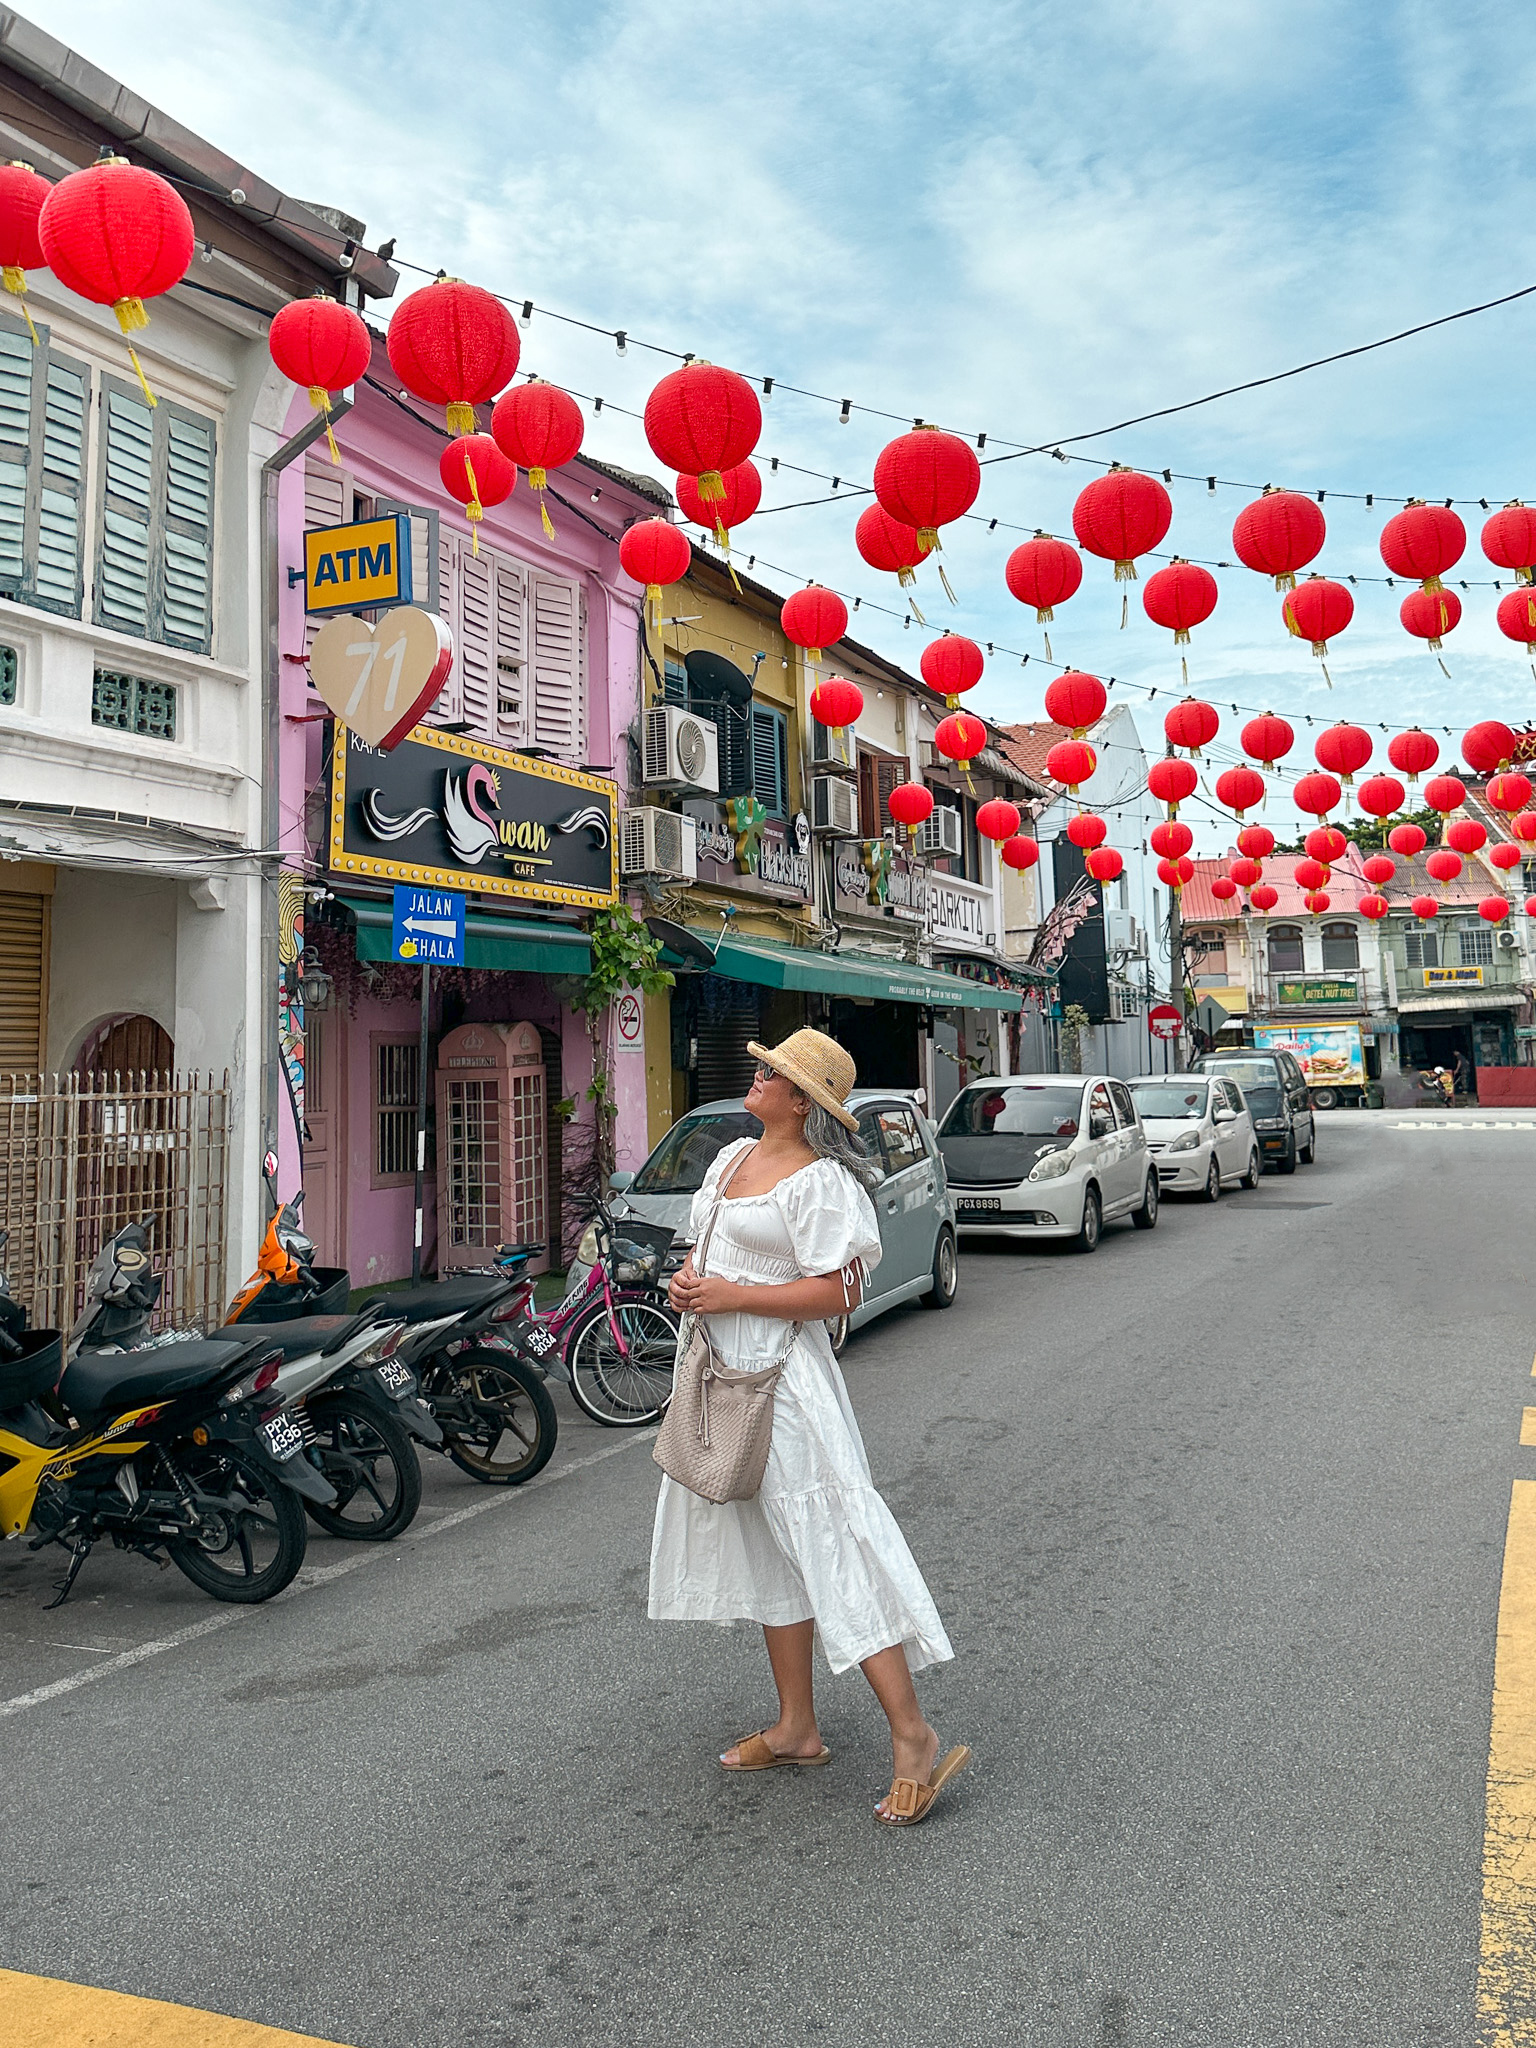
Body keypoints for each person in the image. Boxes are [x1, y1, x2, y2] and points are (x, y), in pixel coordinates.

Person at [648, 1027, 966, 1828]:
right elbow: (710, 1253)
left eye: (770, 1072)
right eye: (760, 1066)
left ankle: (913, 1736)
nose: (754, 1076)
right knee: (767, 1546)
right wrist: (694, 1284)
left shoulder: (822, 1182)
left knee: (832, 1544)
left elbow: (837, 1294)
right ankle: (796, 1727)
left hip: (785, 1385)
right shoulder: (729, 1160)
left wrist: (732, 1296)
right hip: (721, 1371)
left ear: (802, 1100)